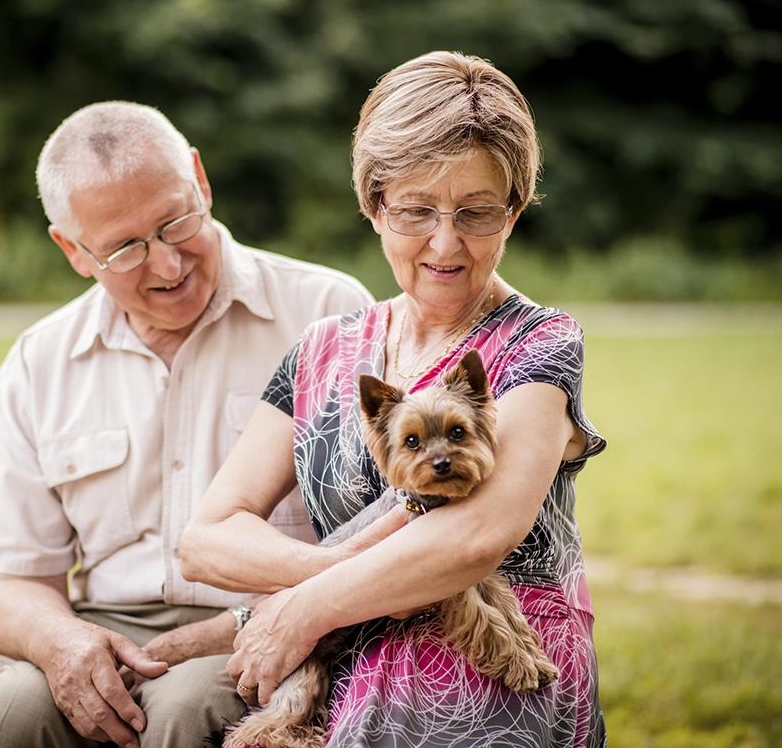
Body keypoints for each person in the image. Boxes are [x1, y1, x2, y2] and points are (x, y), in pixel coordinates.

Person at [181, 51, 608, 747]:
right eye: (415, 211)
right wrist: (328, 577)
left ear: (516, 208)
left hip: (496, 693)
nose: (446, 244)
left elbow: (474, 538)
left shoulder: (541, 346)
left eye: (477, 212)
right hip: (333, 693)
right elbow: (205, 540)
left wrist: (302, 610)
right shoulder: (321, 351)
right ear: (373, 204)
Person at [0, 102, 372, 748]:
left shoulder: (325, 313)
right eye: (124, 249)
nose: (168, 266)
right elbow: (11, 583)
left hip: (271, 622)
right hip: (102, 627)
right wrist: (63, 644)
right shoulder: (41, 361)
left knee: (183, 711)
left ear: (200, 181)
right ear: (73, 250)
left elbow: (383, 531)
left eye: (176, 223)